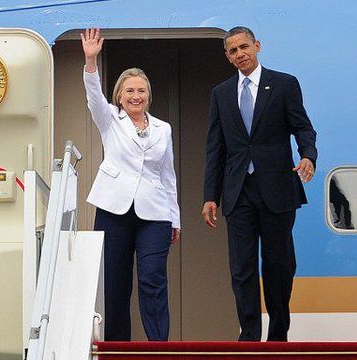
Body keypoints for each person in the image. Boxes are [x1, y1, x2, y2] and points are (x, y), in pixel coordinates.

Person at [202, 26, 317, 342]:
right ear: (227, 57)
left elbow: (303, 128)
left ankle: (279, 334)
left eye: (244, 47)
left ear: (257, 46)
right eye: (233, 51)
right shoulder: (221, 94)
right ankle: (250, 335)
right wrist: (210, 195)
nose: (240, 54)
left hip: (277, 189)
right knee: (242, 268)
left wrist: (308, 156)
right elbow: (216, 148)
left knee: (279, 265)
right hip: (238, 192)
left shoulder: (283, 84)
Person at [81, 28, 181, 341]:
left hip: (155, 214)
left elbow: (168, 175)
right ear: (120, 97)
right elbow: (93, 96)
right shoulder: (109, 118)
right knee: (115, 283)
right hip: (114, 209)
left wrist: (175, 219)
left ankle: (158, 346)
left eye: (141, 91)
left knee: (153, 279)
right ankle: (117, 346)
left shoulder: (163, 129)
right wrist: (90, 61)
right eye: (129, 91)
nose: (135, 96)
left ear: (148, 95)